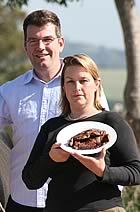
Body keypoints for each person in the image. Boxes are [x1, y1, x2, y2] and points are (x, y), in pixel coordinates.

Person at [0, 10, 109, 211]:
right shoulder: (10, 91)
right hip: (23, 202)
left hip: (74, 203)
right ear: (25, 47)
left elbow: (106, 142)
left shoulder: (84, 86)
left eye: (47, 39)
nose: (40, 47)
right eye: (33, 41)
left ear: (60, 43)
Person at [22, 54, 140, 212]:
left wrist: (103, 171)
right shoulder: (52, 127)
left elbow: (136, 172)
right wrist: (51, 159)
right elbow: (30, 180)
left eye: (83, 81)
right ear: (63, 87)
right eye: (70, 81)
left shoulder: (111, 122)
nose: (77, 88)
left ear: (97, 84)